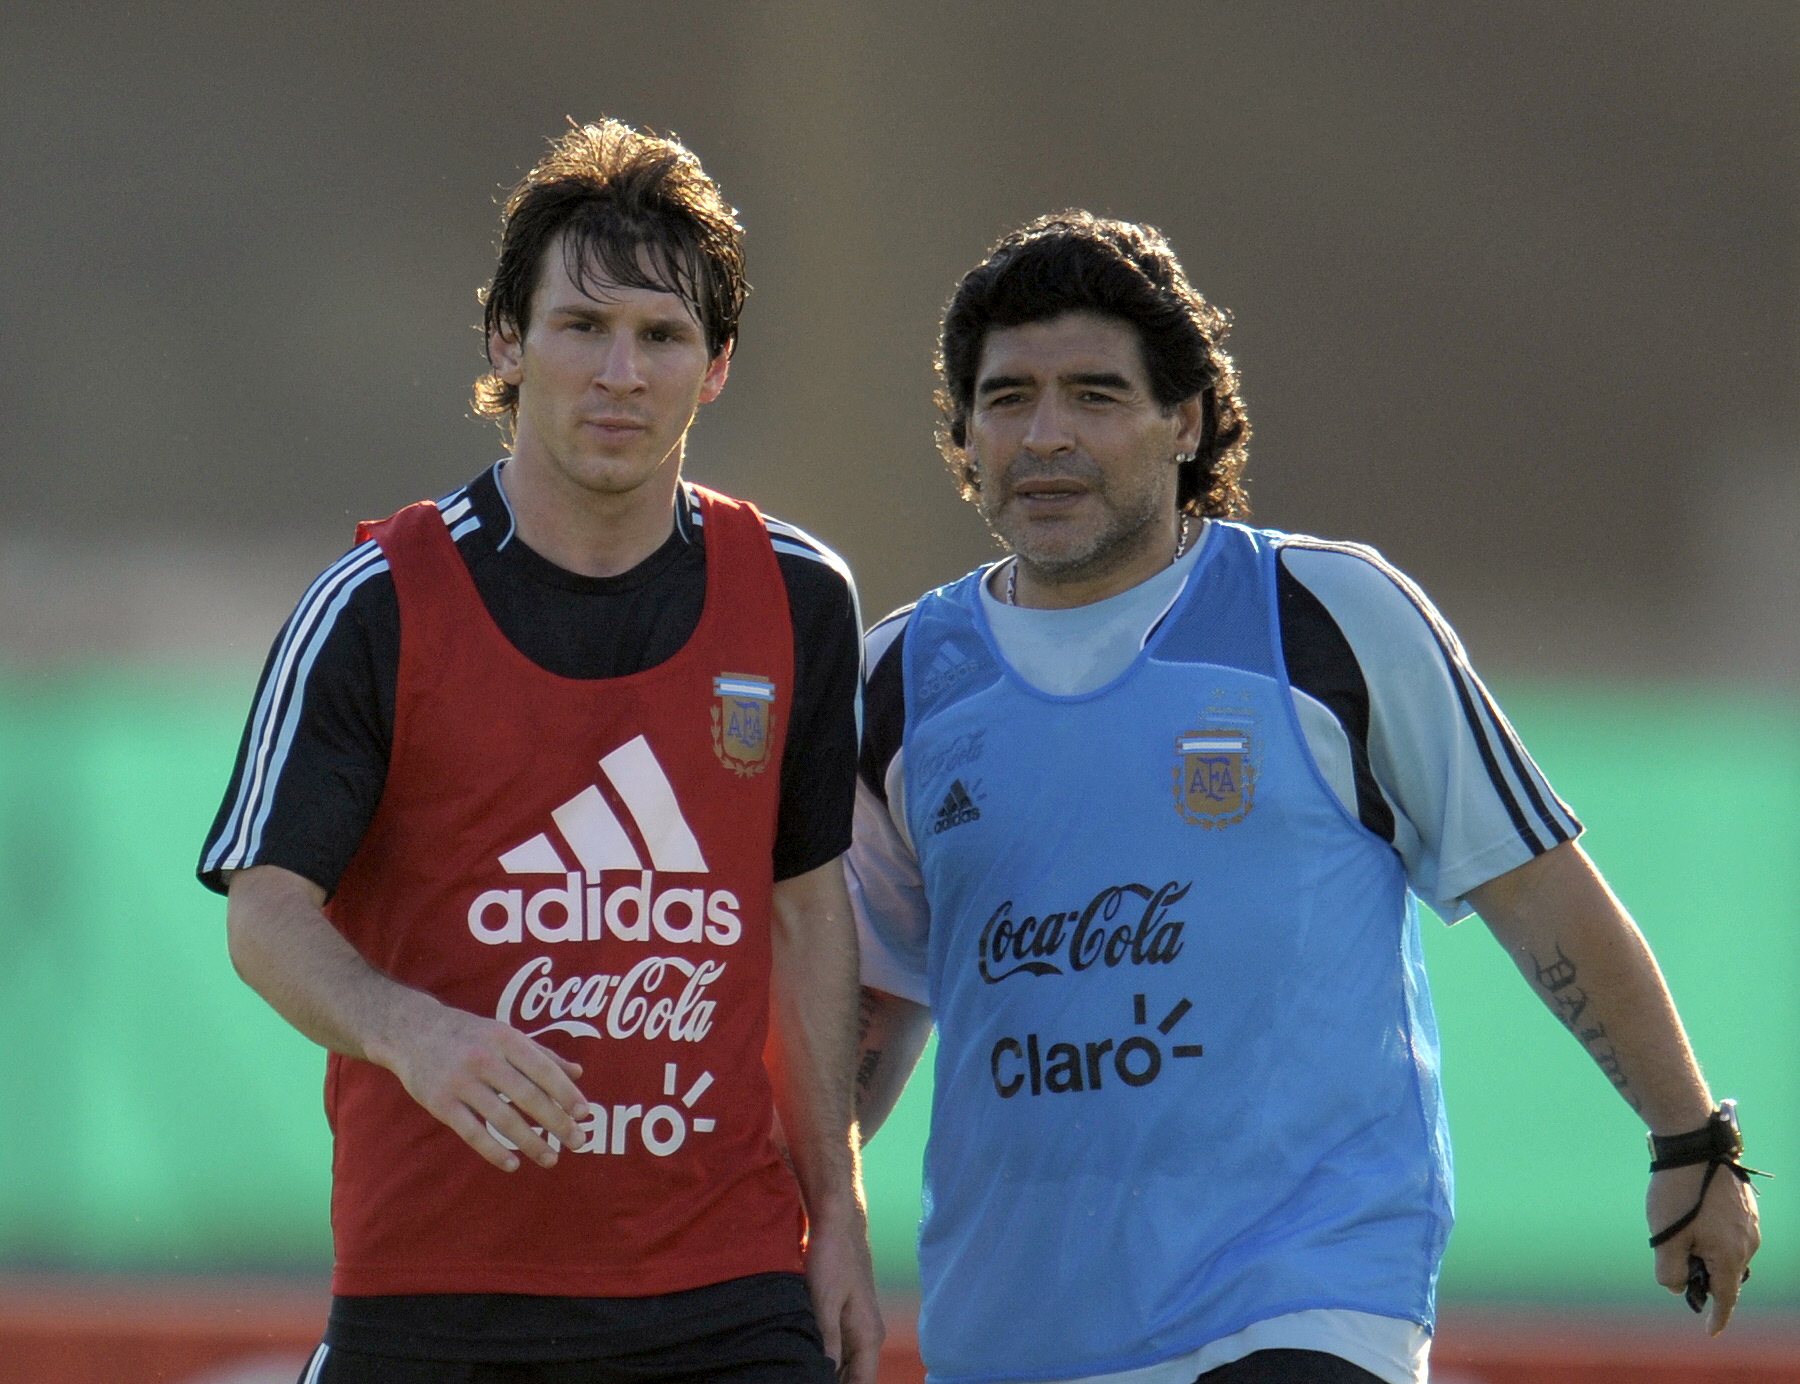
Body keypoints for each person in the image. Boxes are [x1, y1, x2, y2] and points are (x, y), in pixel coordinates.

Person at [847, 212, 1761, 1384]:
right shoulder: (900, 677)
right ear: (965, 431)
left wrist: (1690, 1139)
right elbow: (866, 1007)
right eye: (1008, 397)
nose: (1046, 436)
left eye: (1095, 394)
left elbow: (1545, 896)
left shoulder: (1326, 617)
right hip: (1015, 1332)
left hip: (1308, 1303)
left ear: (1186, 420)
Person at [198, 120, 881, 1384]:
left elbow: (802, 911)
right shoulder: (376, 602)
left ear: (716, 365)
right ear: (509, 344)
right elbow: (265, 912)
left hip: (726, 1292)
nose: (621, 372)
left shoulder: (797, 596)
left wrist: (836, 1212)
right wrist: (415, 1033)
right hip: (436, 1298)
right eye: (583, 327)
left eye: (664, 335)